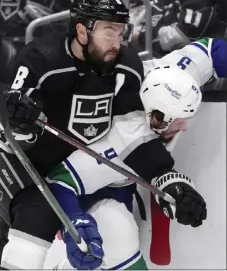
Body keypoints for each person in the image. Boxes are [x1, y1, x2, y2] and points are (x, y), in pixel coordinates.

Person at [0, 0, 146, 270]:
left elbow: (126, 128)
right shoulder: (42, 56)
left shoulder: (126, 64)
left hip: (55, 166)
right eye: (110, 31)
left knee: (101, 227)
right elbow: (9, 123)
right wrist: (20, 118)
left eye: (122, 31)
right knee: (39, 213)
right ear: (83, 31)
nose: (118, 42)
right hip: (2, 153)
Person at [47, 37, 226, 270]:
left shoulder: (178, 77)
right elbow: (60, 180)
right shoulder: (119, 137)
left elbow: (212, 50)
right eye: (179, 121)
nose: (185, 127)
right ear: (156, 117)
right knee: (116, 232)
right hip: (96, 169)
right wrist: (75, 221)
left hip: (126, 166)